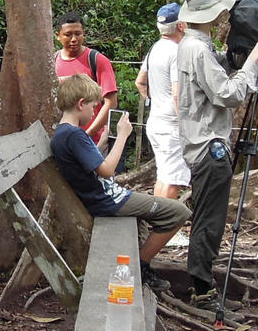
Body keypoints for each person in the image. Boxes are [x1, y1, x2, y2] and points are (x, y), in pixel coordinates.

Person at [51, 74, 190, 291]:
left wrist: (105, 141)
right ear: (80, 104)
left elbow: (88, 164)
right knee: (179, 212)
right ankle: (138, 268)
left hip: (106, 197)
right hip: (108, 201)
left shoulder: (64, 133)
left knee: (143, 220)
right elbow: (106, 171)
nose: (94, 112)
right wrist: (123, 136)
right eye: (93, 107)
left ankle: (138, 262)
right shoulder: (73, 135)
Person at [173, 0, 258, 311]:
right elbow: (227, 94)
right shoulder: (198, 49)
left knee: (205, 218)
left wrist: (231, 59)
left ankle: (203, 283)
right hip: (209, 146)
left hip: (200, 145)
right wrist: (253, 62)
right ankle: (203, 290)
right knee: (209, 222)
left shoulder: (192, 45)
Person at [134, 3, 189, 199]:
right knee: (173, 180)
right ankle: (165, 226)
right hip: (171, 124)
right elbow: (177, 93)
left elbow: (140, 81)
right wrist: (184, 124)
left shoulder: (155, 49)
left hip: (155, 121)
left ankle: (157, 221)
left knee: (164, 175)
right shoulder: (176, 51)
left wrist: (153, 100)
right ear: (181, 25)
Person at [53, 12, 120, 153]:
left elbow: (111, 102)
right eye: (68, 34)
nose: (74, 39)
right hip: (64, 141)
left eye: (78, 34)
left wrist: (87, 134)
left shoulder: (97, 60)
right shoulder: (52, 62)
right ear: (58, 35)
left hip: (94, 142)